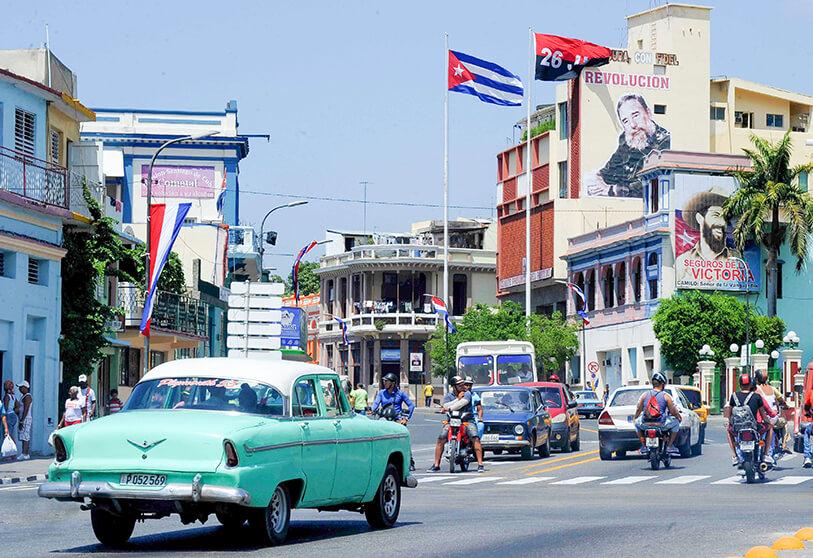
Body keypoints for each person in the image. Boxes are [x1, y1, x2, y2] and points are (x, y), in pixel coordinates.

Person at [586, 94, 671, 197]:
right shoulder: (627, 141)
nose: (633, 125)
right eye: (625, 121)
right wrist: (597, 182)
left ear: (648, 113)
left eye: (635, 115)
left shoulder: (665, 142)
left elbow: (652, 183)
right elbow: (608, 172)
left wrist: (613, 190)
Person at [674, 190, 742, 286]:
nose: (722, 223)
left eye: (725, 218)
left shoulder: (737, 259)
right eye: (716, 215)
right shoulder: (683, 260)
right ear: (700, 218)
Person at [427, 375, 485, 474]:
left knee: (475, 437)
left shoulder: (467, 394)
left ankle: (480, 464)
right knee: (441, 438)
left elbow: (462, 403)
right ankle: (436, 465)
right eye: (459, 385)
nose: (463, 386)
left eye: (463, 384)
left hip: (467, 421)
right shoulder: (449, 396)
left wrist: (449, 408)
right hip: (452, 421)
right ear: (453, 386)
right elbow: (445, 405)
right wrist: (456, 399)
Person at [723, 373, 777, 466]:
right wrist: (770, 422)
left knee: (728, 431)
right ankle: (765, 454)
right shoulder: (756, 397)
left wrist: (728, 421)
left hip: (738, 428)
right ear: (751, 384)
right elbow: (763, 415)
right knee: (770, 428)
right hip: (754, 428)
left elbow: (729, 412)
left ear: (740, 384)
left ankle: (735, 456)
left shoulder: (734, 396)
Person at [371, 373, 415, 471]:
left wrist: (406, 418)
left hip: (397, 418)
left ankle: (410, 461)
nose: (384, 382)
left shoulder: (401, 394)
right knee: (378, 435)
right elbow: (376, 404)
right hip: (384, 417)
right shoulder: (381, 393)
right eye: (384, 381)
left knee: (404, 438)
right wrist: (372, 409)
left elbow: (411, 406)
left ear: (393, 383)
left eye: (386, 381)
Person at [633, 372, 682, 452]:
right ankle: (669, 446)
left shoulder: (644, 395)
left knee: (637, 424)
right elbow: (673, 411)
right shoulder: (666, 396)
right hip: (661, 425)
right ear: (662, 384)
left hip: (645, 424)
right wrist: (678, 417)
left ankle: (644, 446)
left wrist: (635, 418)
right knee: (676, 423)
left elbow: (639, 409)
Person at [755, 370, 785, 464]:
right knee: (782, 425)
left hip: (759, 417)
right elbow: (780, 399)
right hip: (771, 416)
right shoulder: (772, 389)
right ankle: (781, 446)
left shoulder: (755, 389)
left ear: (756, 379)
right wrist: (785, 405)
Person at [2, 380, 19, 458]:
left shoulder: (7, 397)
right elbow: (17, 406)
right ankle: (13, 453)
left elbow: (4, 408)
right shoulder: (13, 396)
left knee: (7, 435)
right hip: (13, 415)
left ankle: (10, 454)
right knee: (11, 435)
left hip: (8, 416)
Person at [16, 381, 32, 461]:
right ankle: (24, 453)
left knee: (25, 436)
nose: (19, 389)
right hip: (23, 418)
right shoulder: (23, 396)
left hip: (25, 418)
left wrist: (22, 420)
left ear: (25, 387)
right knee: (23, 435)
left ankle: (25, 453)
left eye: (21, 387)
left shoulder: (27, 396)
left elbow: (26, 408)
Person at [801, 381, 813, 468]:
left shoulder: (812, 393)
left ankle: (807, 456)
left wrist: (808, 413)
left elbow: (807, 406)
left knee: (807, 432)